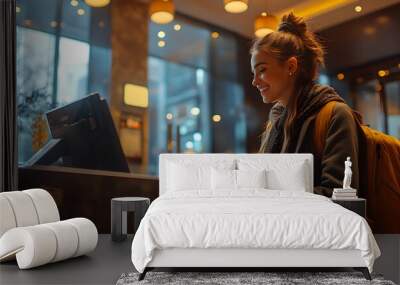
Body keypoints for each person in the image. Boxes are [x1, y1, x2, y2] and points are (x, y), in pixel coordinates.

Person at [250, 12, 359, 197]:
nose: (254, 82)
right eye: (254, 73)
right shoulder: (276, 120)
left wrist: (270, 195)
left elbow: (340, 194)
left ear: (291, 66)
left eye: (262, 70)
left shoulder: (335, 115)